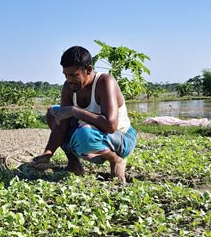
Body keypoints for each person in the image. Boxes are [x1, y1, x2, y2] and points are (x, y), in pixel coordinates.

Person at [32, 45, 137, 182]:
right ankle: (74, 163)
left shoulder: (104, 82)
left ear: (88, 70)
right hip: (91, 133)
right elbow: (61, 125)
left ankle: (116, 160)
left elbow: (110, 125)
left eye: (73, 75)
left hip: (121, 138)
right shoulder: (68, 87)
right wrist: (48, 153)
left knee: (84, 133)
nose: (69, 80)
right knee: (54, 113)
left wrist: (74, 110)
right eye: (65, 75)